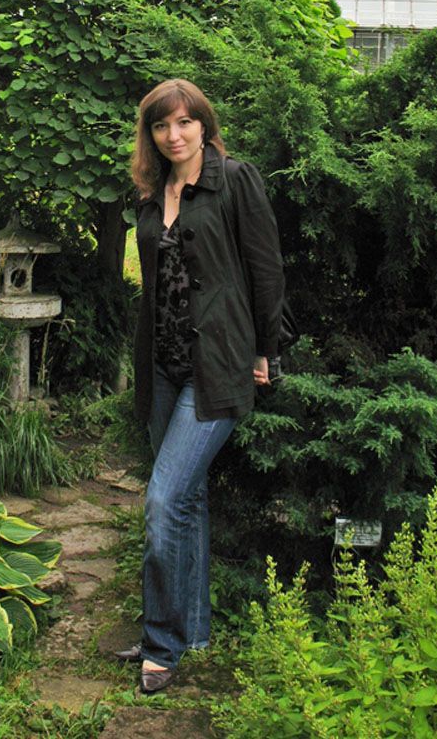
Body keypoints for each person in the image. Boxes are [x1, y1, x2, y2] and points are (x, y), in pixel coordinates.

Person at [117, 78, 285, 694]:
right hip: (162, 367)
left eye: (185, 122)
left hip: (218, 365)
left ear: (203, 125)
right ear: (151, 134)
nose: (174, 135)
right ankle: (192, 629)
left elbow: (266, 269)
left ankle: (160, 645)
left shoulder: (235, 180)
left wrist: (267, 349)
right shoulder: (150, 194)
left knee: (163, 501)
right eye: (162, 125)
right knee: (186, 501)